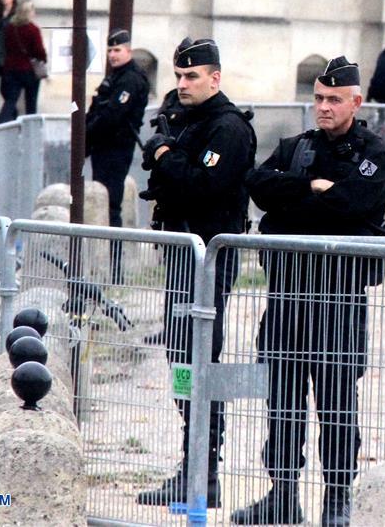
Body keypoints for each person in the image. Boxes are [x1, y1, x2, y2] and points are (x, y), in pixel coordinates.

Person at [232, 57, 385, 527]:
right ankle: (282, 494)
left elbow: (355, 203)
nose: (323, 108)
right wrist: (311, 187)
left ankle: (337, 499)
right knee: (282, 402)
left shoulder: (373, 153)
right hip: (286, 299)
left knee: (338, 405)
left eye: (333, 100)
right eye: (319, 98)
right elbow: (259, 185)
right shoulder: (295, 147)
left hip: (339, 302)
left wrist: (298, 204)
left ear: (355, 102)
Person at [136, 36, 256, 509]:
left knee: (201, 358)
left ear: (215, 78)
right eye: (179, 76)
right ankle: (192, 465)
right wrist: (165, 153)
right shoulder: (187, 122)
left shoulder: (227, 128)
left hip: (208, 258)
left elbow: (203, 186)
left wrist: (167, 156)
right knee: (181, 355)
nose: (183, 84)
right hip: (184, 258)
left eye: (192, 76)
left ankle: (204, 471)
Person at [85, 28, 150, 283]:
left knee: (112, 206)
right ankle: (110, 269)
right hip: (103, 148)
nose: (113, 54)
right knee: (105, 202)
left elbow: (112, 116)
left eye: (118, 50)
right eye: (110, 50)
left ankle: (116, 270)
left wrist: (87, 134)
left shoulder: (131, 79)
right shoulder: (116, 77)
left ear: (128, 51)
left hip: (116, 149)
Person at [0, 1, 47, 123]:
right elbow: (39, 50)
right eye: (33, 11)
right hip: (29, 70)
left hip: (10, 68)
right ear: (28, 13)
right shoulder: (33, 29)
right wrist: (43, 59)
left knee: (10, 101)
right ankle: (30, 128)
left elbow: (6, 46)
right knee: (31, 103)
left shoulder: (9, 28)